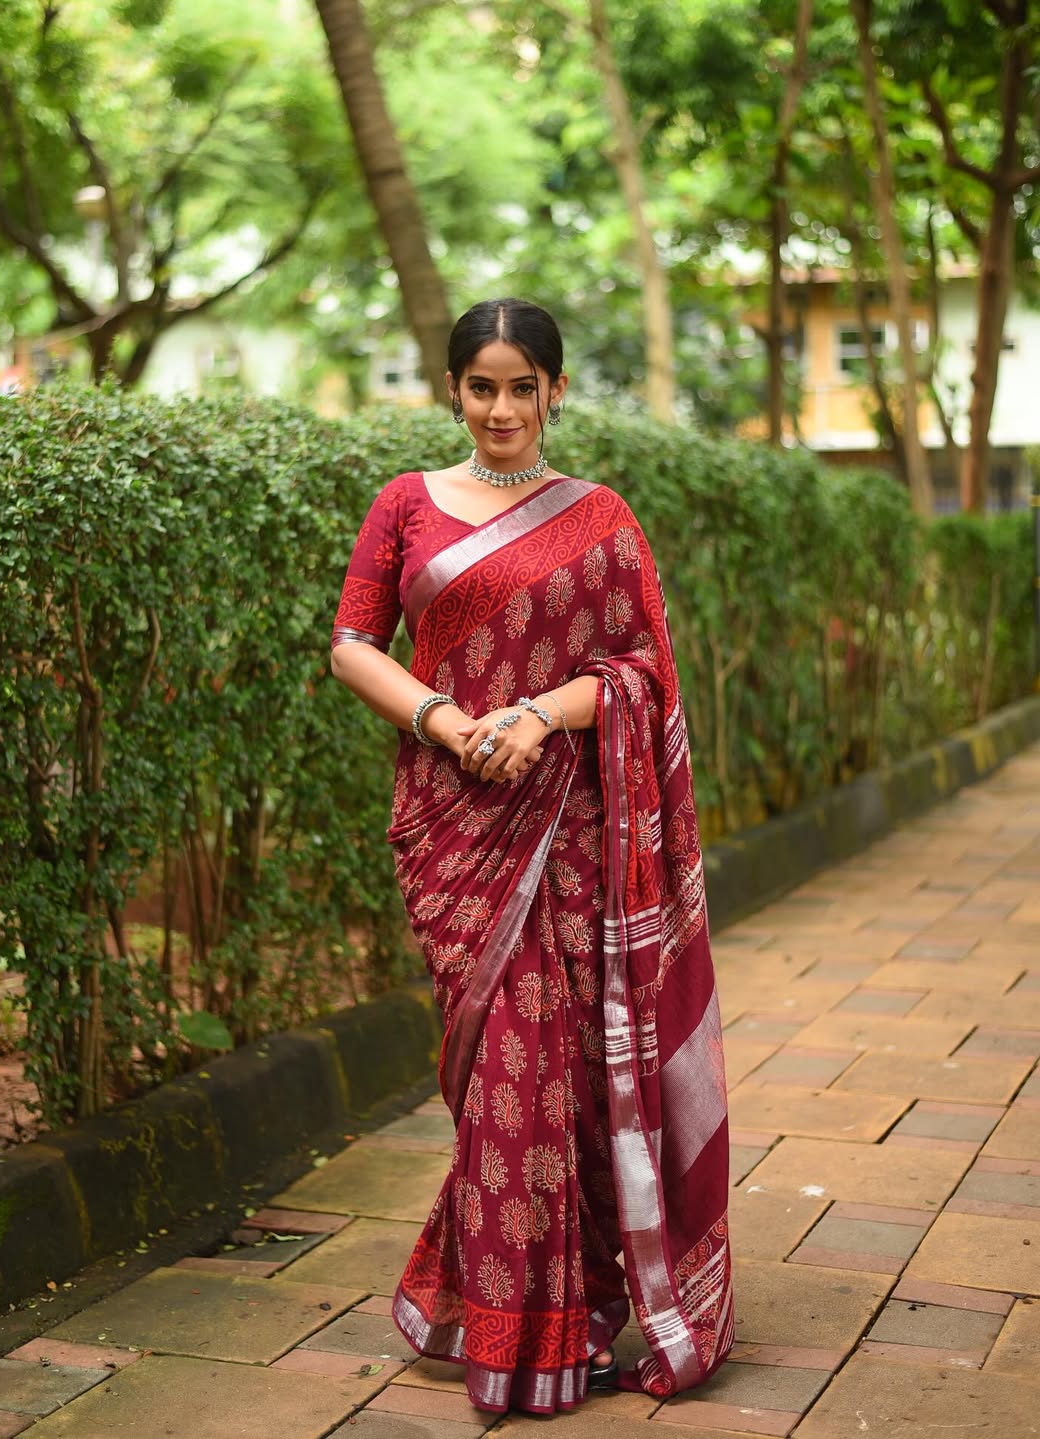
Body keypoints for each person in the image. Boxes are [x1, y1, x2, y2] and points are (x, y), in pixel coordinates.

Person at [330, 298, 733, 1415]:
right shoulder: (404, 505)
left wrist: (540, 716)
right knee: (503, 1064)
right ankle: (517, 1303)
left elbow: (641, 672)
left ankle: (541, 1323)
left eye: (523, 385)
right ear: (452, 390)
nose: (501, 407)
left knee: (547, 1067)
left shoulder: (601, 518)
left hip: (568, 819)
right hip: (451, 820)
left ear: (555, 391)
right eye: (481, 385)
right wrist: (447, 723)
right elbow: (353, 644)